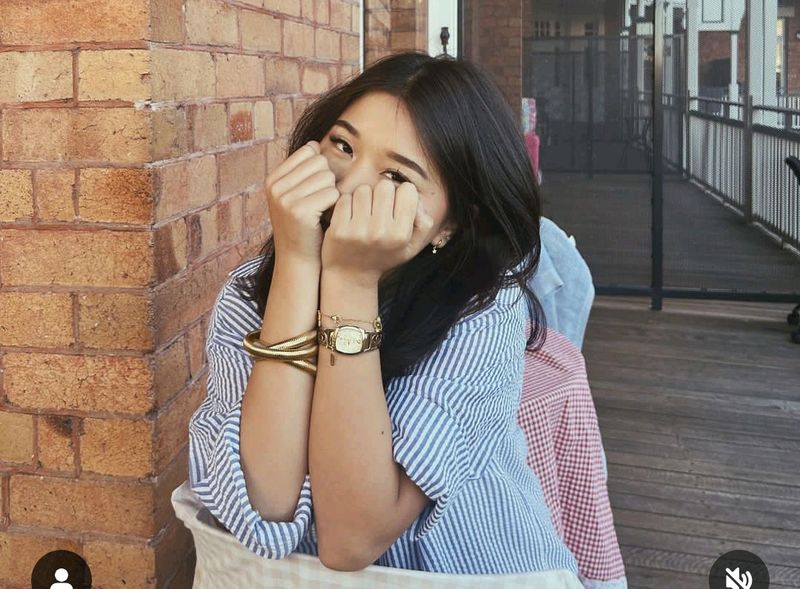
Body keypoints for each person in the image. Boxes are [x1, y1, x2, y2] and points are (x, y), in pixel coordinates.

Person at [187, 50, 581, 578]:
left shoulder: (484, 308)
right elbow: (264, 509)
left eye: (396, 178)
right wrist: (300, 263)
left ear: (451, 224)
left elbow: (352, 538)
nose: (348, 187)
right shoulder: (248, 294)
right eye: (343, 146)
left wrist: (351, 282)